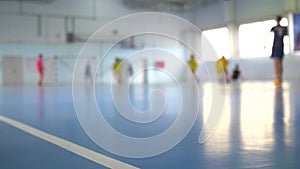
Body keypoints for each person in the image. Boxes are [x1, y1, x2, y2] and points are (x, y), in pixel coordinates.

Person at [270, 15, 288, 86]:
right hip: (280, 48)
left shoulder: (275, 28)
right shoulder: (284, 28)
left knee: (277, 64)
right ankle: (279, 78)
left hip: (277, 48)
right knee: (280, 64)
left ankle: (278, 78)